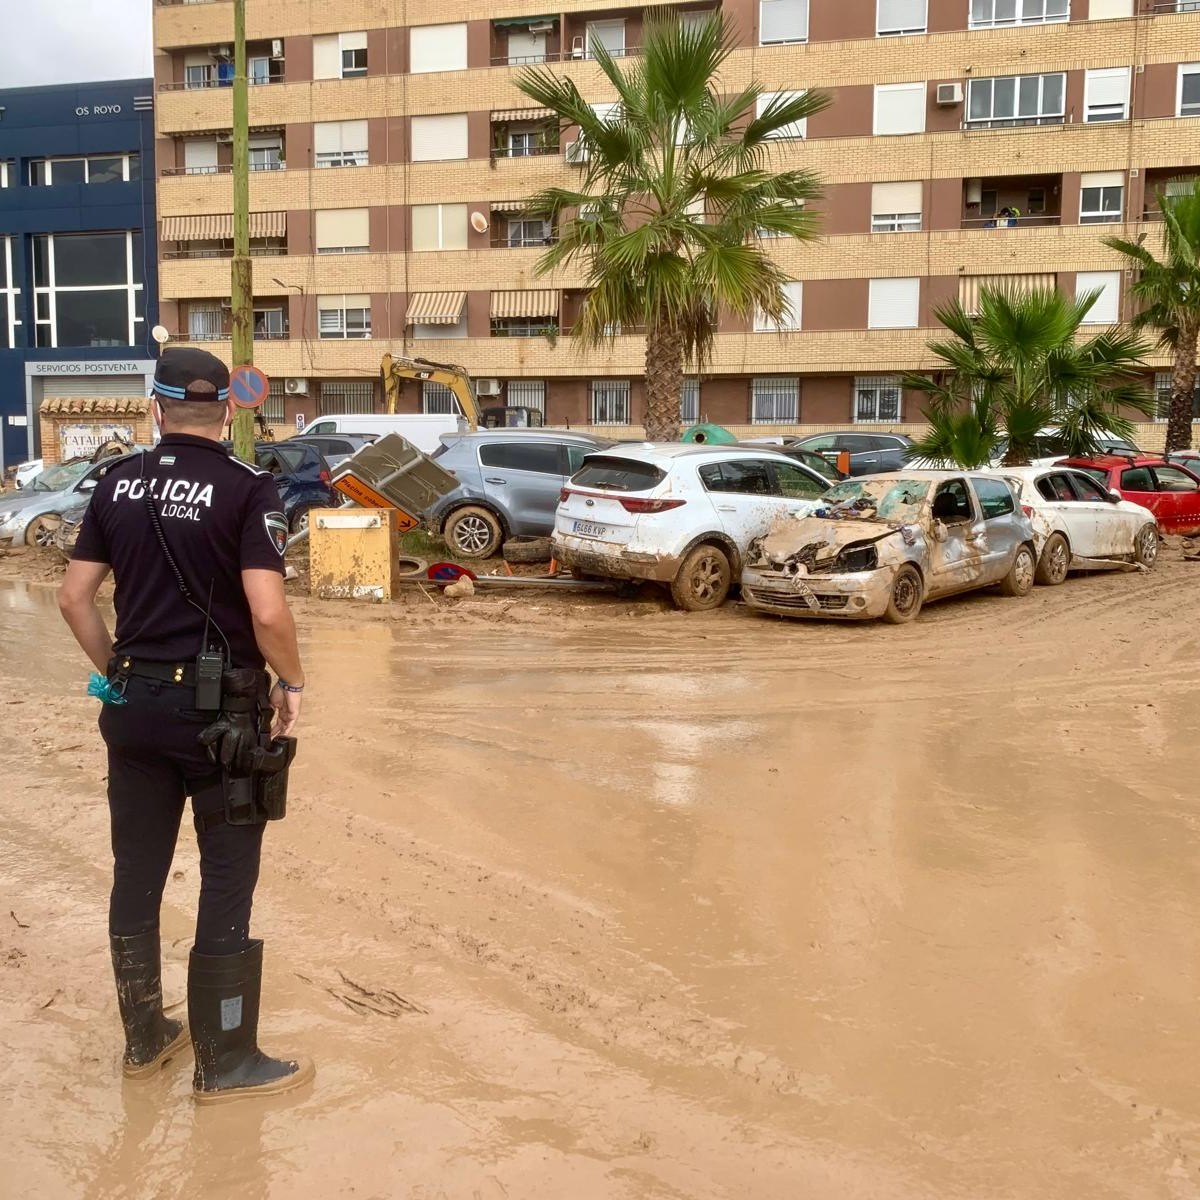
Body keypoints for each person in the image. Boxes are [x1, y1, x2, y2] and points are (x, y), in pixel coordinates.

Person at [58, 346, 314, 1104]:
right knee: (226, 872)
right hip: (219, 720)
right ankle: (225, 1062)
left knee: (136, 869)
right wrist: (293, 683)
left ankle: (145, 1041)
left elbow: (75, 599)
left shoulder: (114, 483)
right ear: (228, 411)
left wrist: (121, 673)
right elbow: (267, 612)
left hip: (132, 709)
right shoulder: (245, 487)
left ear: (156, 409)